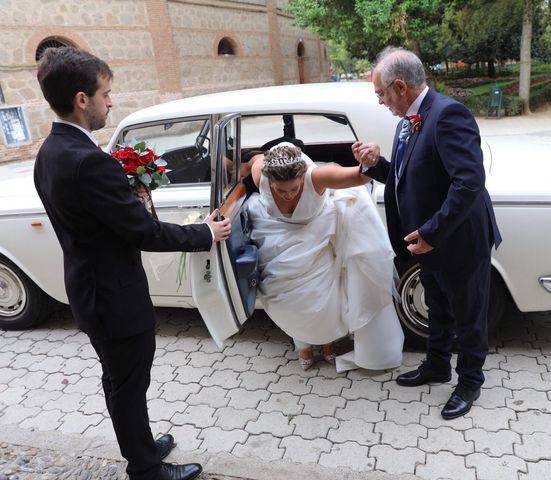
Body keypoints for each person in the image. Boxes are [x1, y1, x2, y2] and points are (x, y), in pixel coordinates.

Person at [33, 47, 231, 480]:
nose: (110, 101)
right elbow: (142, 233)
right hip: (114, 298)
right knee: (127, 383)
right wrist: (204, 234)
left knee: (120, 380)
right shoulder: (89, 161)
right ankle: (145, 468)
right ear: (82, 99)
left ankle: (139, 444)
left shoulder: (50, 151)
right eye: (105, 93)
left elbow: (99, 220)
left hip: (89, 289)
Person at [352, 47, 501, 420]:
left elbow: (468, 184)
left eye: (381, 94)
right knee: (437, 305)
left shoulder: (449, 114)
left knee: (469, 313)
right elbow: (408, 178)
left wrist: (432, 232)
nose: (381, 101)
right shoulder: (408, 120)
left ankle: (470, 381)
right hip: (428, 240)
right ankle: (437, 365)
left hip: (459, 238)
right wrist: (376, 165)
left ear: (400, 86)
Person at [244, 142, 404, 372]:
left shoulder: (316, 177)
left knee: (324, 297)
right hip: (276, 241)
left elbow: (361, 177)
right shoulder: (260, 173)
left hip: (315, 238)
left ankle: (327, 342)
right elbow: (252, 160)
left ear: (303, 176)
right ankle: (302, 344)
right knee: (290, 302)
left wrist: (372, 160)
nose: (288, 195)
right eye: (280, 190)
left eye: (294, 188)